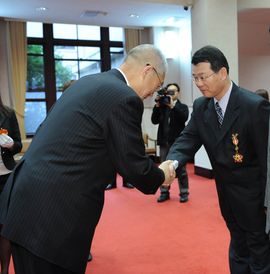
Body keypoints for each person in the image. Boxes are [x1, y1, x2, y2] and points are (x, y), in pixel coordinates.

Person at [0, 44, 176, 274]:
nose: (154, 92)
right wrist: (162, 174)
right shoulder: (124, 97)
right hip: (53, 217)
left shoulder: (86, 82)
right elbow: (136, 168)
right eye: (159, 84)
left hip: (25, 205)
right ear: (147, 70)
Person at [166, 45, 270, 274]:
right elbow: (188, 139)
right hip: (226, 195)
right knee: (238, 248)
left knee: (260, 255)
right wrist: (171, 163)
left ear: (222, 73)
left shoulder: (253, 106)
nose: (199, 83)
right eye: (195, 78)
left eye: (203, 77)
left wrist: (266, 203)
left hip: (254, 200)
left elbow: (266, 160)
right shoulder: (202, 106)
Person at [151, 83, 189, 203]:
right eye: (169, 92)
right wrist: (157, 106)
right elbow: (154, 120)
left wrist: (173, 106)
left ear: (178, 92)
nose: (171, 94)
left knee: (181, 169)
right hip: (164, 142)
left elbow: (184, 118)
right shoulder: (162, 107)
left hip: (178, 143)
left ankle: (184, 192)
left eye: (173, 91)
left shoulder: (182, 107)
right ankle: (164, 192)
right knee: (163, 168)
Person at [0, 96, 22, 274]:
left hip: (6, 176)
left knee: (5, 225)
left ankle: (5, 269)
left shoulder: (8, 113)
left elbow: (19, 144)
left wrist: (11, 145)